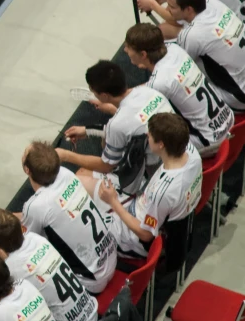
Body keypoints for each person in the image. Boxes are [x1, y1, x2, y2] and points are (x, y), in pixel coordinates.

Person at [0, 142, 116, 294]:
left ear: (27, 170)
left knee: (17, 258)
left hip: (91, 280)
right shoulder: (65, 174)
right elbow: (35, 216)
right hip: (111, 256)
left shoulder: (36, 206)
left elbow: (17, 240)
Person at [58, 61, 174, 197]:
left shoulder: (117, 124)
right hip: (176, 154)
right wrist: (88, 130)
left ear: (104, 96)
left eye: (93, 92)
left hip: (155, 179)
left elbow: (106, 166)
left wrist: (66, 155)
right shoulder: (149, 91)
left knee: (81, 175)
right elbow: (135, 123)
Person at [95, 113, 202, 258]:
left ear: (161, 144)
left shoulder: (163, 192)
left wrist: (113, 201)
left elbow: (145, 235)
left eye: (150, 135)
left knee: (83, 228)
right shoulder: (193, 154)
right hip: (143, 205)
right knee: (87, 179)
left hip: (135, 236)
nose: (147, 135)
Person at [123, 23, 234, 157]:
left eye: (128, 47)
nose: (125, 50)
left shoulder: (159, 83)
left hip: (210, 142)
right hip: (228, 120)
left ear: (143, 54)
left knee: (153, 139)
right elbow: (159, 82)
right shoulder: (175, 49)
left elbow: (144, 104)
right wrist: (129, 92)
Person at [0, 209, 98, 321]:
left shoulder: (11, 269)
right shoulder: (36, 238)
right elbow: (8, 232)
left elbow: (4, 305)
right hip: (91, 308)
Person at [160, 0, 245, 114]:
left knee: (185, 77)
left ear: (188, 9)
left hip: (242, 98)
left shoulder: (191, 35)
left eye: (171, 7)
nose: (168, 10)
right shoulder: (213, 2)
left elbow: (183, 69)